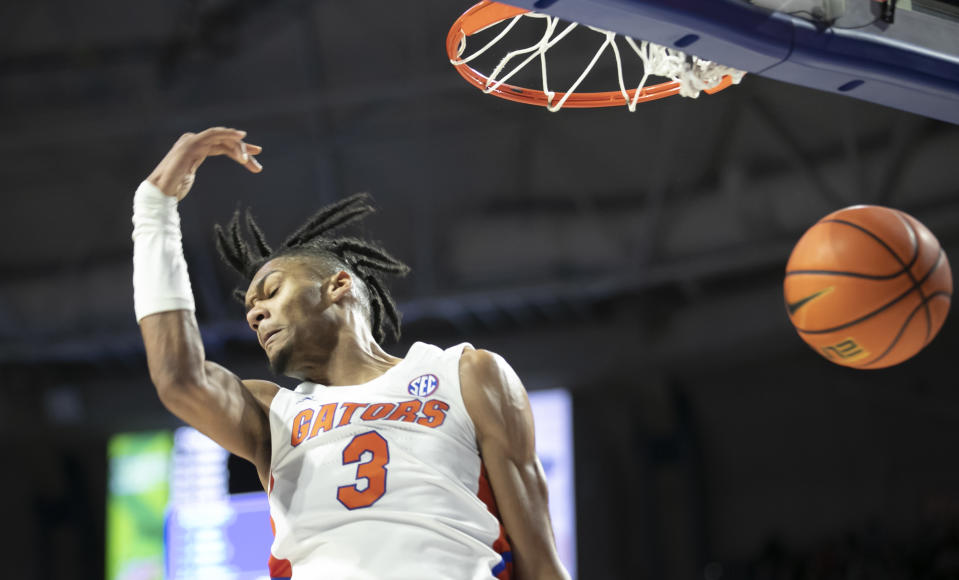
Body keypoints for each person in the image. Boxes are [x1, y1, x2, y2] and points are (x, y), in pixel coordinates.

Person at [133, 127, 570, 579]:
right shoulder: (272, 412)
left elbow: (542, 563)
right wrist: (153, 211)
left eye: (271, 291)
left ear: (337, 285)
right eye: (250, 308)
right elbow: (179, 379)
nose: (255, 314)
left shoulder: (467, 374)